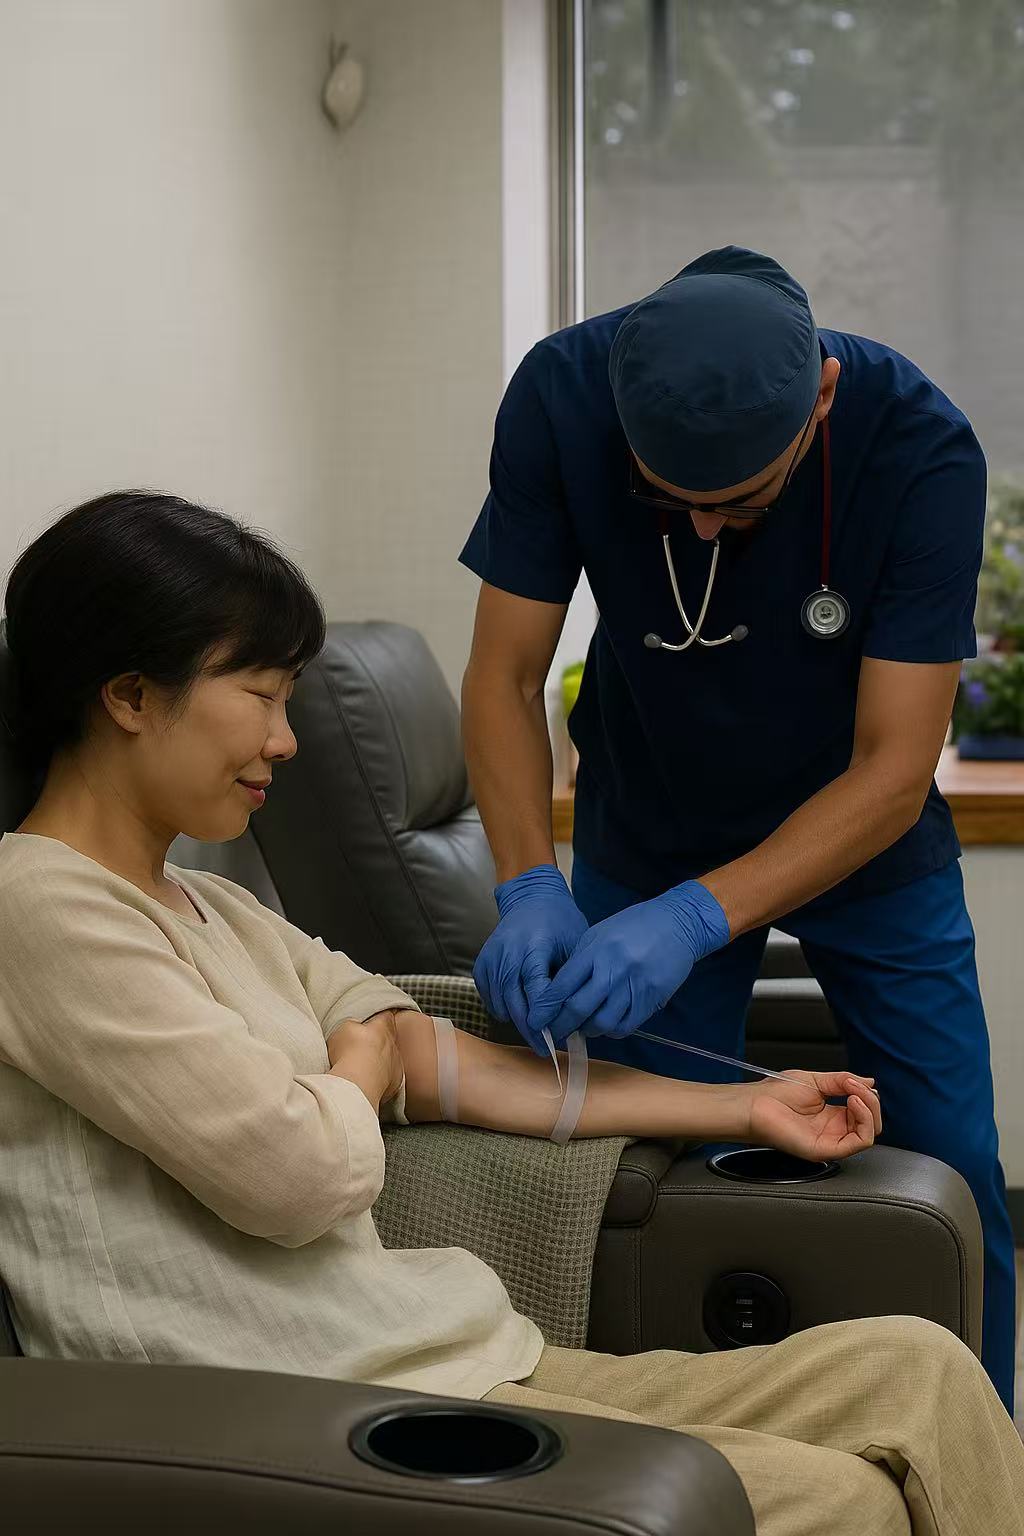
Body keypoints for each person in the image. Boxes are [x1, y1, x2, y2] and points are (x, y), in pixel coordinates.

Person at [0, 492, 1020, 1536]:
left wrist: (743, 1110)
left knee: (919, 1368)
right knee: (843, 1502)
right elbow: (296, 1172)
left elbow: (437, 1061)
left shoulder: (210, 905)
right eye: (261, 696)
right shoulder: (39, 908)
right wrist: (359, 1064)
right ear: (128, 694)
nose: (286, 739)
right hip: (292, 1408)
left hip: (434, 1349)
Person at [459, 245, 1018, 1417]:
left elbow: (894, 765)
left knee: (954, 1163)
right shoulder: (561, 396)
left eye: (742, 501)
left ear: (820, 395)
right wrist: (526, 882)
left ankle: (979, 1454)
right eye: (676, 502)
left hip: (863, 839)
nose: (705, 531)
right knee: (655, 1180)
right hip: (650, 817)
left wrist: (700, 916)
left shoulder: (918, 445)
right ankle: (701, 1451)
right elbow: (505, 679)